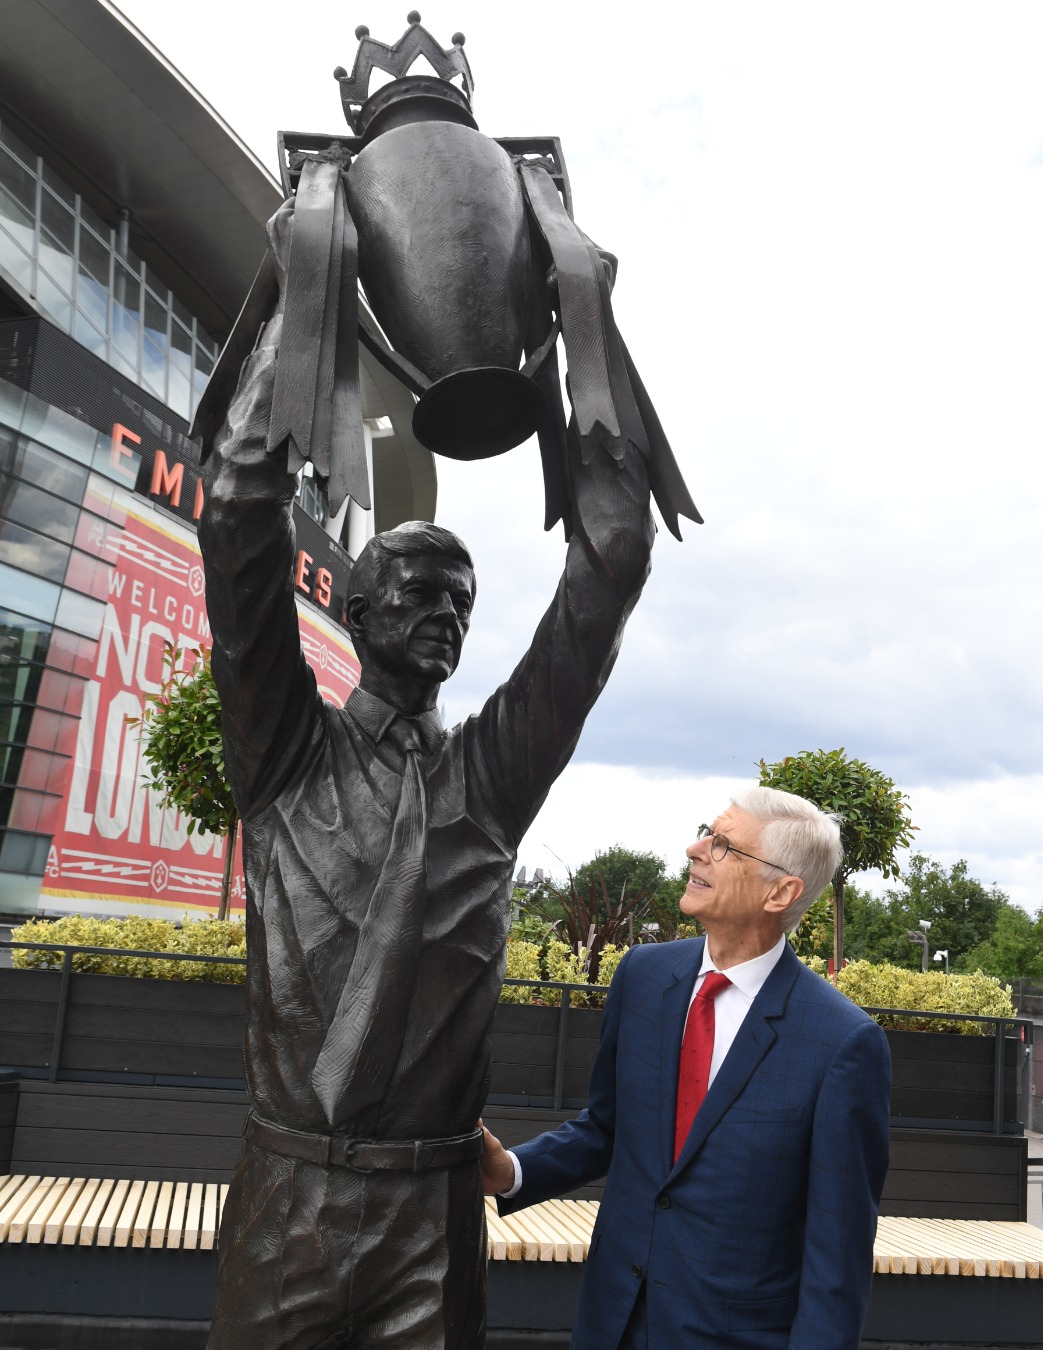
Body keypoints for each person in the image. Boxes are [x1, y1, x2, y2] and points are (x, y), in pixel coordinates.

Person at [198, 198, 655, 1349]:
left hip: (434, 1219)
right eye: (416, 586)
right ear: (351, 608)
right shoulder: (284, 752)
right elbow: (241, 505)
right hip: (289, 1205)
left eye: (464, 595)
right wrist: (314, 281)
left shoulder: (488, 784)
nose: (446, 608)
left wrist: (582, 319)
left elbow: (609, 566)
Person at [482, 788, 891, 1350]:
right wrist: (511, 1171)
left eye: (724, 846)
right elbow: (605, 1128)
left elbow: (836, 1259)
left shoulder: (843, 1043)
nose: (695, 849)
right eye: (707, 832)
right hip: (609, 1325)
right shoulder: (643, 977)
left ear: (782, 892)